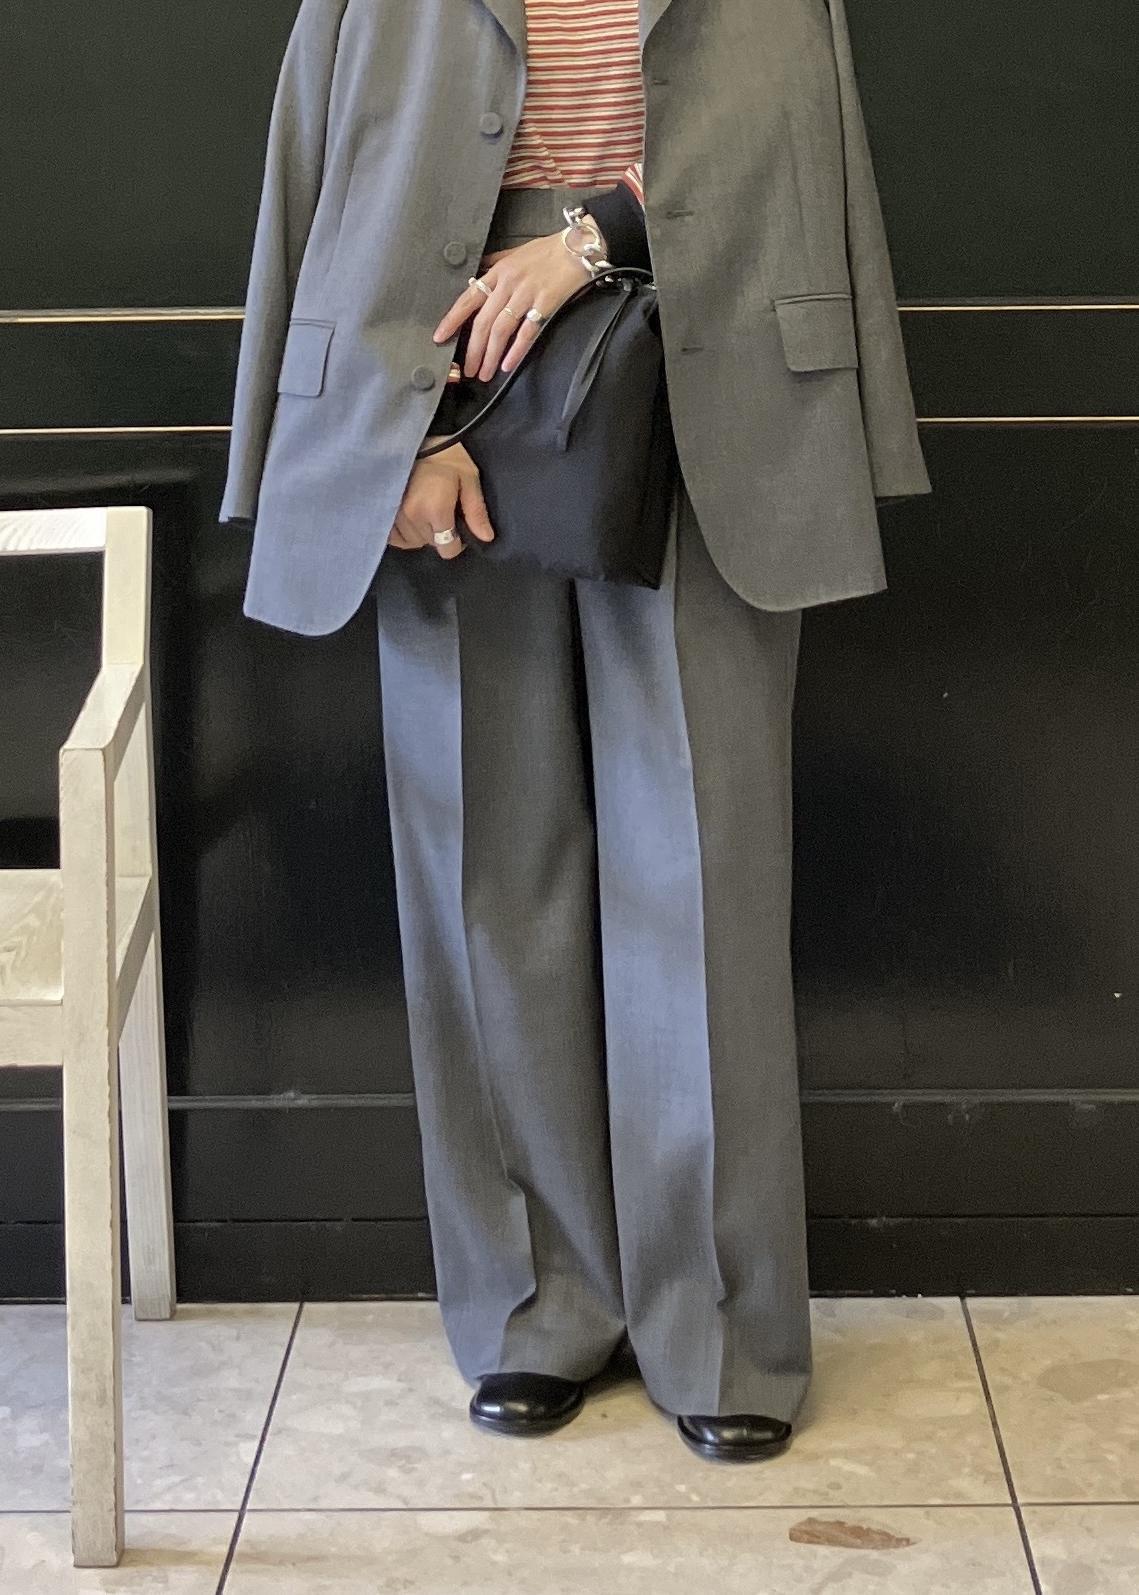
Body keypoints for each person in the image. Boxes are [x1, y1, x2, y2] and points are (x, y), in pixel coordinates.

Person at [220, 0, 931, 1463]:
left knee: (707, 872)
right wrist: (396, 437)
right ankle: (534, 1304)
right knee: (489, 869)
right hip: (448, 384)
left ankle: (722, 1327)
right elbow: (332, 169)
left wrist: (595, 238)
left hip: (709, 372)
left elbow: (793, 147)